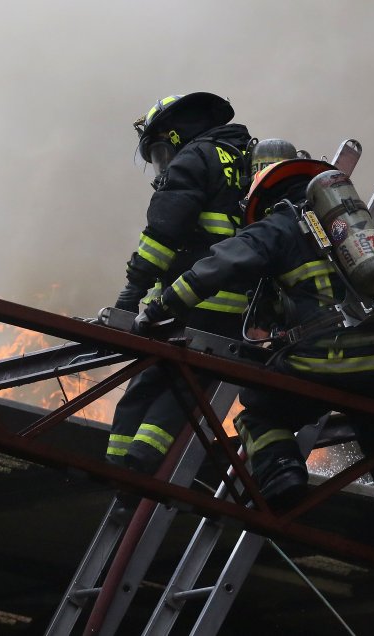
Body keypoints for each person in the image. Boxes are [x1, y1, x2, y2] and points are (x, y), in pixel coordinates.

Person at [136, 160, 374, 563]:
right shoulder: (356, 231)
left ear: (265, 198)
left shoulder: (277, 227)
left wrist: (162, 306)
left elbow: (220, 265)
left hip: (322, 360)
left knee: (260, 414)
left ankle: (283, 480)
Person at [106, 92, 253, 477]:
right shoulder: (246, 161)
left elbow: (163, 232)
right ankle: (134, 462)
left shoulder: (193, 157)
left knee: (151, 380)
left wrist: (131, 293)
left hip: (185, 299)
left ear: (175, 134)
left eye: (158, 152)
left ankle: (124, 464)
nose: (160, 166)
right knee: (185, 390)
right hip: (234, 309)